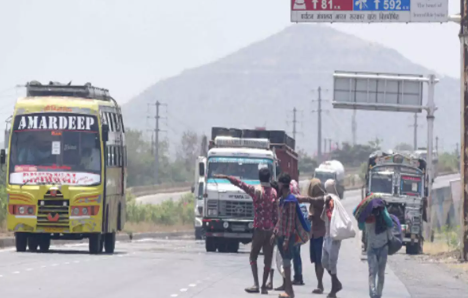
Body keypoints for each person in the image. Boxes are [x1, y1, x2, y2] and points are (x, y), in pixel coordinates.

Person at [214, 167, 277, 294]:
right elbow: (276, 214)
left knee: (253, 257)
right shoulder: (274, 193)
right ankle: (264, 286)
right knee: (268, 259)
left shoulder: (256, 191)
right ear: (269, 178)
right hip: (270, 230)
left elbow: (241, 184)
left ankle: (256, 284)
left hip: (259, 229)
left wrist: (228, 178)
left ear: (259, 178)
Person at [272, 173, 310, 298]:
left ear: (282, 185)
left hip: (287, 237)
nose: (277, 185)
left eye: (279, 183)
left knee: (287, 264)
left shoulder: (291, 201)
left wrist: (287, 239)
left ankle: (290, 292)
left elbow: (290, 222)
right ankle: (288, 290)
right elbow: (280, 219)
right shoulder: (281, 200)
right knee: (286, 264)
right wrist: (275, 232)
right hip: (281, 235)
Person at [355, 194, 393, 298]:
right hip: (376, 247)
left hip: (378, 247)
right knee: (376, 272)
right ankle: (374, 294)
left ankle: (376, 294)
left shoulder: (379, 213)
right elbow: (390, 224)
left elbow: (360, 226)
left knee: (377, 273)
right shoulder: (370, 214)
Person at [297, 178, 327, 294]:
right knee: (315, 261)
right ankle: (319, 283)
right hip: (314, 233)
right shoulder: (314, 203)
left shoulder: (323, 199)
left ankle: (320, 284)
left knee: (320, 261)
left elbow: (315, 200)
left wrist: (302, 198)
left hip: (321, 234)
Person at [321, 179, 343, 298]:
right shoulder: (327, 200)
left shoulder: (335, 201)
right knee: (324, 262)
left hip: (334, 237)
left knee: (332, 263)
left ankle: (333, 290)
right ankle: (336, 283)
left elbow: (332, 216)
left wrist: (328, 205)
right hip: (326, 235)